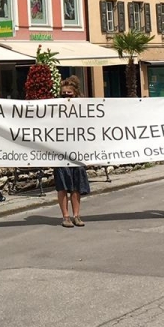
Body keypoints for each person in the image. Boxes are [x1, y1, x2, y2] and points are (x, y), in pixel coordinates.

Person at [53, 77, 90, 227]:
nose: (66, 96)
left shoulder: (83, 108)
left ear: (75, 94)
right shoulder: (54, 108)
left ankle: (77, 215)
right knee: (62, 185)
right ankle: (65, 217)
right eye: (63, 94)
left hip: (77, 151)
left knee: (76, 186)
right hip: (59, 151)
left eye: (69, 94)